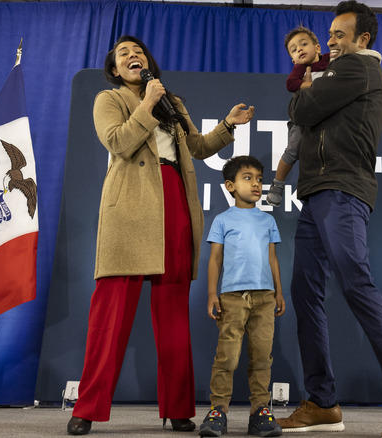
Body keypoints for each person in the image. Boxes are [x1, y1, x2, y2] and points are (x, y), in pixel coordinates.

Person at [66, 35, 255, 436]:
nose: (133, 56)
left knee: (172, 314)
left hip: (175, 204)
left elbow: (198, 147)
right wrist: (148, 103)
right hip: (130, 208)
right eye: (124, 54)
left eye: (138, 52)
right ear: (115, 69)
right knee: (110, 316)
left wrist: (226, 125)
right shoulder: (110, 99)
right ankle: (87, 409)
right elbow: (118, 141)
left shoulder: (173, 103)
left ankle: (178, 408)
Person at [275, 2, 382, 438]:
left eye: (341, 34)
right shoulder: (335, 72)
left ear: (363, 40)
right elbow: (303, 111)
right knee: (305, 295)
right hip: (315, 192)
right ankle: (322, 403)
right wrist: (306, 94)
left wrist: (305, 93)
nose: (332, 42)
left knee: (356, 284)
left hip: (343, 189)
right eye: (332, 34)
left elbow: (300, 111)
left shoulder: (358, 70)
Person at [199, 155, 285, 438]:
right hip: (232, 298)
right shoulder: (223, 220)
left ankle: (260, 410)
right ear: (230, 186)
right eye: (247, 178)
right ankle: (218, 411)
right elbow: (215, 260)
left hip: (265, 297)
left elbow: (272, 258)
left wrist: (278, 291)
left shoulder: (267, 221)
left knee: (262, 356)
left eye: (259, 179)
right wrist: (213, 293)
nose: (256, 184)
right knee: (228, 357)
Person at [266, 26, 330, 208]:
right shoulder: (300, 69)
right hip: (301, 121)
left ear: (318, 47)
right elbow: (290, 84)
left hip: (325, 121)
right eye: (294, 50)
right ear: (292, 59)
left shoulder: (330, 62)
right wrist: (308, 86)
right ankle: (277, 184)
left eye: (304, 44)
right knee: (293, 149)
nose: (299, 49)